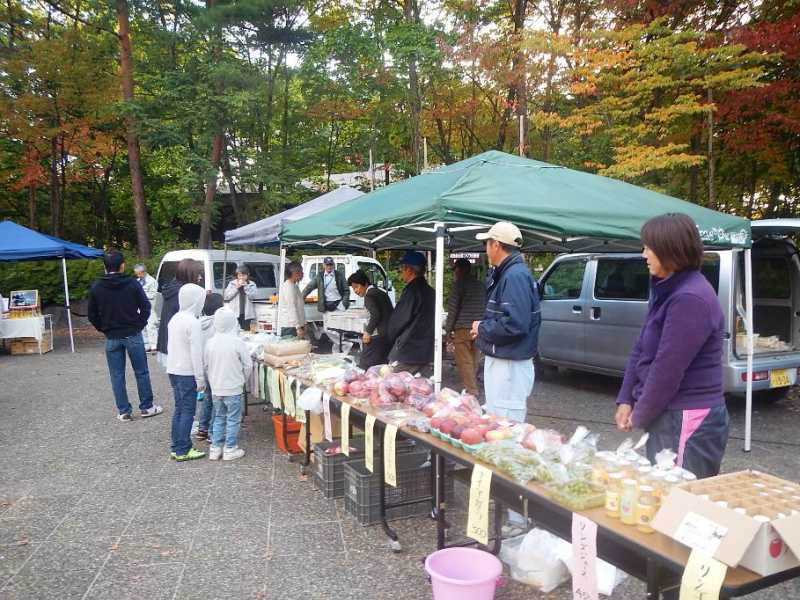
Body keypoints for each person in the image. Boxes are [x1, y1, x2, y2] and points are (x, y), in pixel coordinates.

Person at [615, 213, 728, 479]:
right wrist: (626, 399)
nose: (644, 254)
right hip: (669, 414)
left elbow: (667, 370)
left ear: (670, 250)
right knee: (661, 495)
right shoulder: (668, 288)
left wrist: (640, 414)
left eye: (649, 247)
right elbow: (641, 349)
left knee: (678, 501)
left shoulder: (690, 297)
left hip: (688, 416)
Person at [472, 222, 540, 422]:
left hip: (510, 366)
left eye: (487, 243)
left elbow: (515, 324)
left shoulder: (515, 276)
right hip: (506, 362)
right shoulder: (509, 273)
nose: (486, 249)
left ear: (496, 245)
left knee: (506, 424)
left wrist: (482, 328)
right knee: (498, 419)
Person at [88, 250, 163, 421]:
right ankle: (147, 407)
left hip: (112, 336)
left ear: (104, 266)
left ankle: (124, 411)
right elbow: (145, 307)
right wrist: (139, 324)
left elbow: (92, 314)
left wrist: (103, 328)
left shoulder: (97, 286)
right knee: (141, 372)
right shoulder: (132, 284)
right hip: (133, 334)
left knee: (117, 375)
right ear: (123, 265)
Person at [205, 307, 253, 461]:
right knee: (233, 418)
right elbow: (248, 365)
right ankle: (230, 448)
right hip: (233, 388)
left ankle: (215, 448)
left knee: (219, 417)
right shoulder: (237, 342)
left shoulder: (210, 343)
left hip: (216, 388)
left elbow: (206, 365)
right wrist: (242, 380)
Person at [166, 283, 207, 461]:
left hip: (173, 369)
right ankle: (183, 449)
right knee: (188, 411)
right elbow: (196, 354)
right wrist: (201, 379)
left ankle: (176, 447)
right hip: (187, 372)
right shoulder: (193, 322)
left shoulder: (174, 318)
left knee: (179, 409)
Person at [387, 250, 435, 375]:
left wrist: (390, 338)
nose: (400, 272)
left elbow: (398, 321)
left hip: (408, 350)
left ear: (409, 269)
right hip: (426, 350)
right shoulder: (431, 291)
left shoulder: (412, 292)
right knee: (421, 390)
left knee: (394, 387)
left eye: (401, 269)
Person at [445, 258, 486, 397]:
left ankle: (472, 392)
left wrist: (448, 330)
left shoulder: (459, 285)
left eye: (455, 269)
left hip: (463, 328)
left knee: (464, 362)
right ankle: (472, 387)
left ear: (460, 270)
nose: (454, 273)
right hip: (479, 328)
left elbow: (453, 309)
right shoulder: (481, 285)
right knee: (474, 360)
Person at [156, 258, 203, 366]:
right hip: (176, 345)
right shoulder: (183, 292)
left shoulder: (173, 287)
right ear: (189, 274)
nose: (200, 278)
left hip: (167, 341)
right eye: (198, 274)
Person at [348, 270, 393, 369]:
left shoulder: (369, 295)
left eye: (357, 287)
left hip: (378, 337)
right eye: (353, 288)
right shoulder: (380, 292)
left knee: (366, 366)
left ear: (365, 283)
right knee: (382, 368)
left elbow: (375, 315)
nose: (355, 291)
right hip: (389, 336)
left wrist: (367, 332)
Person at [195, 293, 224, 442]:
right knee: (217, 399)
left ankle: (202, 429)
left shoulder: (198, 324)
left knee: (207, 397)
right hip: (216, 366)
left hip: (202, 366)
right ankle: (213, 431)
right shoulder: (219, 324)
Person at [133, 264, 159, 352]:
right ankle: (146, 345)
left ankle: (154, 345)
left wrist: (141, 295)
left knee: (151, 326)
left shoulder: (152, 281)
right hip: (139, 307)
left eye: (139, 273)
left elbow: (153, 294)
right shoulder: (137, 281)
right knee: (142, 326)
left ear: (143, 272)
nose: (137, 275)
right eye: (137, 273)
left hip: (149, 307)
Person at [223, 264, 257, 331]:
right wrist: (236, 288)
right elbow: (226, 297)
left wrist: (246, 287)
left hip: (247, 314)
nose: (241, 277)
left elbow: (253, 296)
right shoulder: (232, 283)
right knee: (234, 331)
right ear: (237, 275)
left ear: (248, 275)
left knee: (246, 332)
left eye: (243, 275)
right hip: (234, 314)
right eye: (239, 275)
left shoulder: (252, 284)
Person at [278, 262, 307, 337]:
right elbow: (291, 308)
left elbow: (299, 307)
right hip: (290, 326)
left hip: (295, 326)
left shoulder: (294, 286)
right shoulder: (288, 287)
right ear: (295, 273)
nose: (303, 274)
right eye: (301, 272)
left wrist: (304, 323)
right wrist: (297, 327)